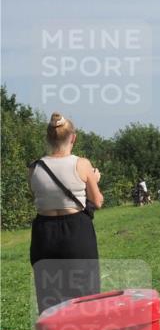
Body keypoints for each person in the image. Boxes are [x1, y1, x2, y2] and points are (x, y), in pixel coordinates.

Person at [27, 113, 104, 314]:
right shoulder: (82, 164)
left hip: (44, 232)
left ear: (48, 138)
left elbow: (38, 196)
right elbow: (97, 201)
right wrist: (94, 179)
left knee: (49, 297)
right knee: (85, 295)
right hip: (76, 231)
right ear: (73, 137)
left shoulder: (35, 167)